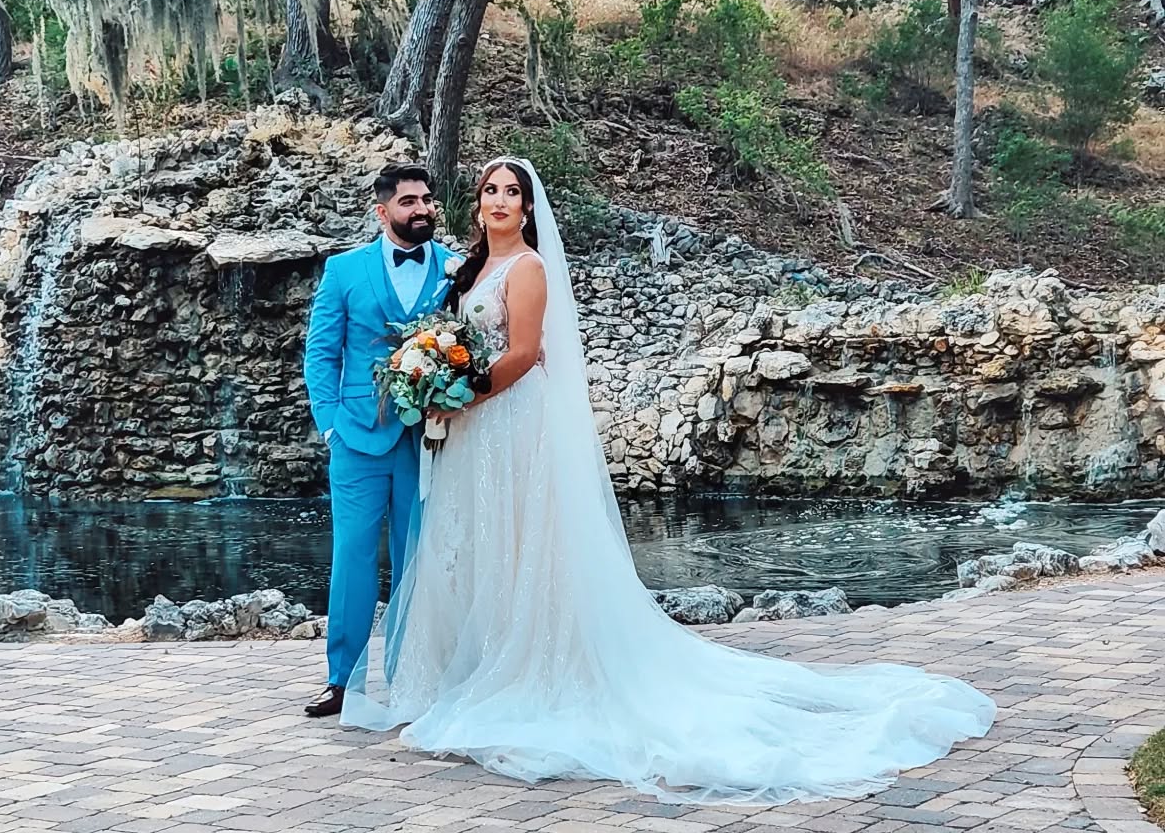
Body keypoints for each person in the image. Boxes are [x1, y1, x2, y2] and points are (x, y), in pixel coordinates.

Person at [340, 156, 996, 804]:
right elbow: (459, 337)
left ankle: (533, 667)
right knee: (480, 546)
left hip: (510, 421)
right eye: (490, 191)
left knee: (523, 544)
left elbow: (523, 354)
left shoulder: (530, 268)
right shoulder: (470, 267)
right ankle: (473, 665)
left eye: (513, 192)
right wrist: (433, 377)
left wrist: (461, 396)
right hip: (473, 436)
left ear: (530, 207)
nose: (500, 201)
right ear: (477, 203)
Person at [301, 164, 456, 718]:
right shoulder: (343, 270)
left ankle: (410, 676)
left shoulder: (456, 270)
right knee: (352, 559)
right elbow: (321, 352)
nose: (422, 209)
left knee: (420, 560)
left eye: (427, 200)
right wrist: (331, 424)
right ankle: (342, 680)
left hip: (431, 441)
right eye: (409, 201)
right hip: (358, 439)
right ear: (383, 210)